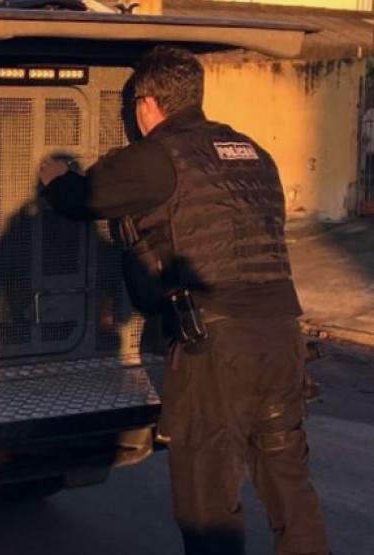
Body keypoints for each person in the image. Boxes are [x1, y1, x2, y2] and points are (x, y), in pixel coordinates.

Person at [38, 46, 330, 555]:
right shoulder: (251, 151)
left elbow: (80, 200)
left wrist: (53, 173)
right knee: (288, 478)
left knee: (206, 497)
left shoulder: (158, 155)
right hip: (283, 336)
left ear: (146, 103)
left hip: (218, 347)